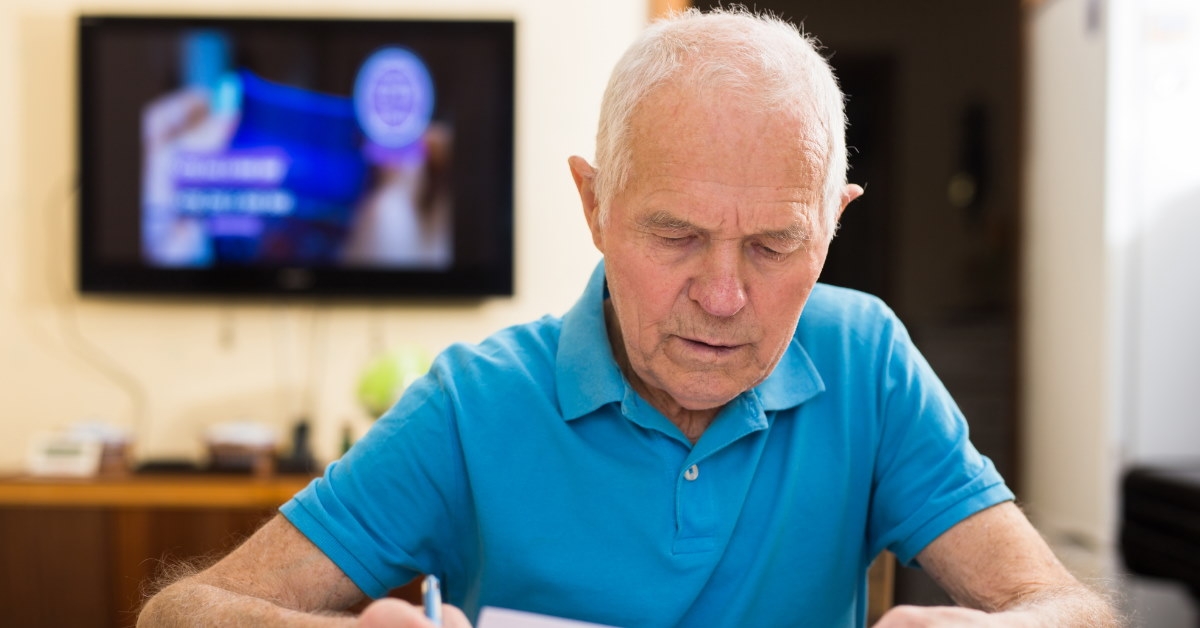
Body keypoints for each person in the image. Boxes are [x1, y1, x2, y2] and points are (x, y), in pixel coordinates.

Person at [138, 7, 1118, 627]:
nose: (725, 297)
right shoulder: (475, 403)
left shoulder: (864, 359)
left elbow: (1076, 611)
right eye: (677, 236)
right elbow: (182, 611)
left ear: (833, 225)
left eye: (776, 246)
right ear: (594, 205)